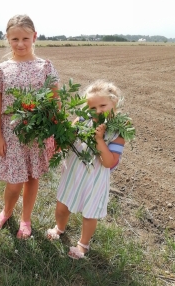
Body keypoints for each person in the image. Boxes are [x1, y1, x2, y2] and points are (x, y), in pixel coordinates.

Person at [0, 14, 59, 239]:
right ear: (7, 39)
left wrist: (56, 133)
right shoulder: (1, 69)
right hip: (11, 134)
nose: (20, 44)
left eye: (25, 39)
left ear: (34, 37)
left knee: (31, 177)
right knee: (14, 181)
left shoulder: (45, 67)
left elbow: (55, 101)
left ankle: (25, 219)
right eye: (15, 39)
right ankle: (6, 211)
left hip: (37, 134)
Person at [46, 80, 125, 259]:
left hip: (94, 179)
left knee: (89, 214)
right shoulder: (82, 120)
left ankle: (83, 244)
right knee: (62, 206)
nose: (98, 111)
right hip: (73, 173)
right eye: (92, 107)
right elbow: (66, 142)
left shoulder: (118, 133)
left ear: (115, 103)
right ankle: (59, 228)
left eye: (103, 105)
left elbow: (109, 162)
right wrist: (56, 134)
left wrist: (99, 140)